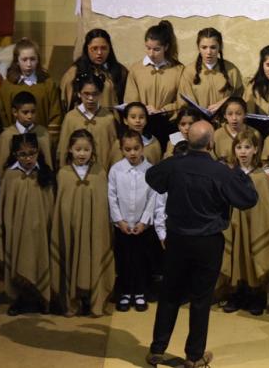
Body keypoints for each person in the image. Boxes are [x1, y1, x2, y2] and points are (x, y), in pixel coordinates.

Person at [144, 120, 258, 368]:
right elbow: (248, 199)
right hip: (207, 242)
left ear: (189, 140)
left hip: (177, 240)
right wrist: (238, 171)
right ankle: (194, 356)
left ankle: (157, 349)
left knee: (170, 294)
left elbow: (152, 176)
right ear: (211, 143)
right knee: (200, 299)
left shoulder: (175, 164)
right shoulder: (220, 171)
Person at [50, 129, 114, 317]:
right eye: (78, 149)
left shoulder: (100, 173)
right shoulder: (63, 174)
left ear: (92, 150)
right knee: (69, 257)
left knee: (93, 257)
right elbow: (61, 205)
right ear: (70, 149)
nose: (82, 154)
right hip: (70, 229)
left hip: (93, 231)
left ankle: (93, 300)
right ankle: (72, 301)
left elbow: (103, 206)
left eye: (86, 150)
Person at [220, 128, 269, 316]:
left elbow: (264, 208)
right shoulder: (230, 175)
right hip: (235, 226)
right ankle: (237, 295)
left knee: (254, 256)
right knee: (236, 258)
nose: (243, 151)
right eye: (239, 147)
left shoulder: (261, 177)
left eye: (247, 147)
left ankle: (257, 296)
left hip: (256, 227)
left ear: (256, 150)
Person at [0, 133, 55, 316]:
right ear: (14, 154)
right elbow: (4, 207)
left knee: (41, 260)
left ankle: (41, 298)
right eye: (22, 154)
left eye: (32, 153)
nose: (28, 158)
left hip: (41, 233)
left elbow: (50, 206)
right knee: (17, 260)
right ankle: (19, 299)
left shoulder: (45, 174)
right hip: (18, 232)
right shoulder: (10, 176)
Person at [108, 130, 164, 313]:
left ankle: (140, 292)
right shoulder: (116, 170)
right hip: (122, 225)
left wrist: (144, 222)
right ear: (121, 149)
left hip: (142, 226)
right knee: (124, 260)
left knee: (141, 260)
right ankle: (125, 292)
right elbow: (112, 196)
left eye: (136, 148)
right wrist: (119, 220)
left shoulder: (150, 170)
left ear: (142, 148)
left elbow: (153, 197)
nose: (132, 153)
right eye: (128, 149)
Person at [0, 38, 62, 145]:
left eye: (32, 59)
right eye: (24, 59)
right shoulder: (8, 85)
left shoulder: (47, 83)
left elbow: (55, 113)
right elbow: (3, 114)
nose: (29, 64)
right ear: (17, 61)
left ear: (38, 60)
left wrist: (50, 139)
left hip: (42, 139)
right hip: (16, 140)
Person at [57, 73, 118, 170]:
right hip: (75, 173)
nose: (90, 98)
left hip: (102, 173)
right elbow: (63, 148)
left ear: (100, 94)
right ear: (79, 93)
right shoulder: (71, 118)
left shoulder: (108, 118)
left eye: (95, 94)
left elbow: (114, 150)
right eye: (86, 94)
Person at [124, 20, 185, 117]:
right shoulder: (136, 69)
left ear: (166, 47)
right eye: (148, 48)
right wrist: (143, 110)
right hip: (141, 123)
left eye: (156, 49)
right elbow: (130, 100)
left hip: (169, 123)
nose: (151, 54)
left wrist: (163, 110)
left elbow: (182, 101)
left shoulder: (179, 70)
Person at [178, 27, 244, 114]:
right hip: (198, 123)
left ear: (220, 47)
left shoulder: (232, 70)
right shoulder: (189, 71)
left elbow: (240, 97)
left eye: (213, 47)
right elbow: (184, 102)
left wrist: (226, 102)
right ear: (198, 48)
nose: (208, 52)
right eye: (204, 47)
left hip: (225, 124)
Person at [60, 29, 128, 112]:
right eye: (94, 48)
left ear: (109, 49)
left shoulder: (120, 71)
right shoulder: (74, 72)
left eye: (103, 48)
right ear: (87, 49)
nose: (99, 52)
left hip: (111, 121)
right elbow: (64, 104)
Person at [0, 91, 52, 179]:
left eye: (33, 112)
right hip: (14, 183)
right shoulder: (7, 135)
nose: (30, 116)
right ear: (15, 112)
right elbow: (0, 166)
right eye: (25, 112)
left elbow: (48, 162)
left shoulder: (43, 133)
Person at [212, 96, 261, 162]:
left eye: (238, 114)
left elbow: (259, 160)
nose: (234, 118)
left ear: (245, 114)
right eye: (230, 114)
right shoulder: (217, 135)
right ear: (224, 115)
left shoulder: (255, 133)